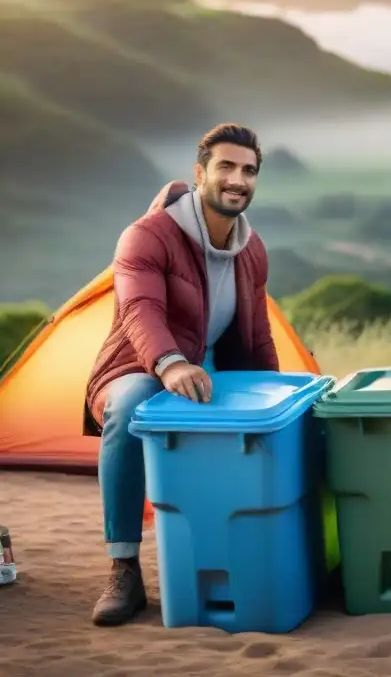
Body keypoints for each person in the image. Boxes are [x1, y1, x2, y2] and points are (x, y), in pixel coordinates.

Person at [85, 123, 280, 626]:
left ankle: (249, 554)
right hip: (138, 366)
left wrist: (279, 399)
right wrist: (170, 363)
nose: (238, 179)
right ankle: (124, 567)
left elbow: (257, 339)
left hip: (210, 370)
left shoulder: (252, 250)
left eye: (249, 170)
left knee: (273, 423)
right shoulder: (147, 235)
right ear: (200, 174)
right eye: (226, 167)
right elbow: (140, 310)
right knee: (133, 405)